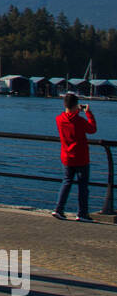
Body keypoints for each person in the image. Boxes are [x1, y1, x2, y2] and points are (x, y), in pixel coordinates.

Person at [52, 92, 97, 222]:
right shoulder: (80, 120)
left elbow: (70, 119)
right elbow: (92, 129)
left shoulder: (59, 119)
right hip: (81, 157)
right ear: (76, 105)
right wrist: (88, 113)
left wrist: (76, 111)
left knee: (66, 182)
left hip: (66, 156)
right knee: (83, 186)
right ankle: (82, 213)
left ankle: (59, 209)